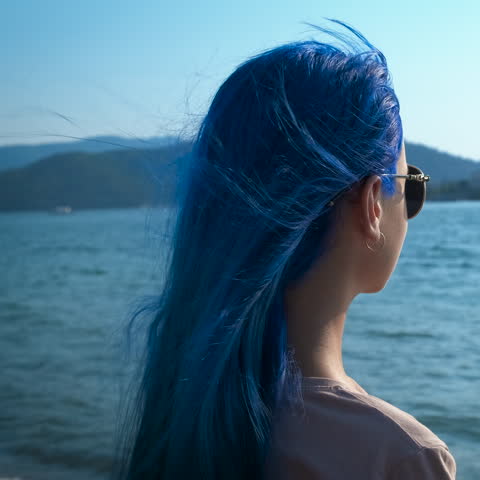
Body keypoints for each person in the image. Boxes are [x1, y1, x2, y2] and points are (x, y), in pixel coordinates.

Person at [116, 21, 455, 480]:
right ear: (373, 203)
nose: (409, 204)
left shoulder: (181, 403)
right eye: (408, 184)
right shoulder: (399, 457)